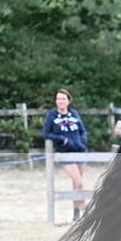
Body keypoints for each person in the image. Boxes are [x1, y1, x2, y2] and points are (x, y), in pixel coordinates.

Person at [43, 89, 88, 222]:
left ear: (68, 100)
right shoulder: (51, 115)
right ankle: (86, 211)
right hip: (65, 153)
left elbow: (82, 130)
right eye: (58, 99)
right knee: (78, 181)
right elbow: (46, 134)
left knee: (77, 183)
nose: (60, 101)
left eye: (63, 99)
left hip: (80, 152)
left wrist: (82, 140)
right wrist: (61, 139)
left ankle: (76, 214)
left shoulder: (74, 114)